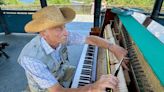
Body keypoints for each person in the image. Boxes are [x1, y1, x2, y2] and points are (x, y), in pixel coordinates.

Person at [18, 6, 128, 92]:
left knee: (89, 77)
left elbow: (90, 39)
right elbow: (57, 91)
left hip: (61, 73)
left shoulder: (62, 36)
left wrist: (113, 47)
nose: (66, 32)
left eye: (64, 26)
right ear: (43, 33)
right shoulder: (30, 58)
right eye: (58, 28)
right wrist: (92, 88)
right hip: (46, 90)